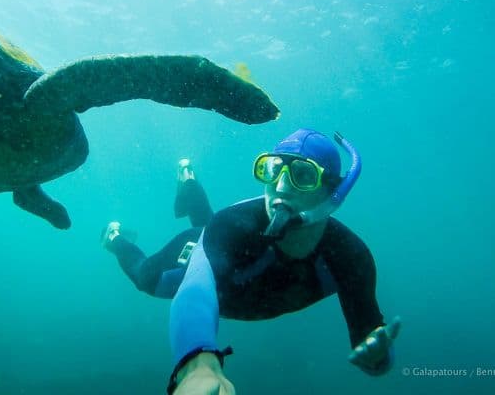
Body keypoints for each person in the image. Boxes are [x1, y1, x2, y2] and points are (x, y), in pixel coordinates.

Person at [102, 129, 400, 394]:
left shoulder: (350, 257)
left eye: (303, 175)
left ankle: (188, 181)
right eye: (272, 169)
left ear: (333, 193)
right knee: (146, 278)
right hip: (205, 247)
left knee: (208, 225)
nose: (281, 187)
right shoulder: (231, 227)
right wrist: (198, 366)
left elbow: (371, 341)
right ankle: (114, 239)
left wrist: (378, 359)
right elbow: (194, 292)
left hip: (227, 257)